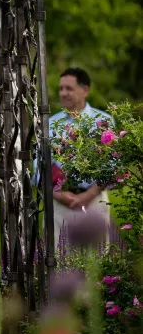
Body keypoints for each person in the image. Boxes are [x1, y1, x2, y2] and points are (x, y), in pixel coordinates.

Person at [49, 68, 111, 244]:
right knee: (61, 263)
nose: (63, 93)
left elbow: (112, 164)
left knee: (97, 261)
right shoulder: (50, 124)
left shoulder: (103, 122)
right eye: (61, 89)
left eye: (69, 88)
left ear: (85, 90)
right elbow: (40, 165)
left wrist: (88, 195)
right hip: (60, 203)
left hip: (94, 201)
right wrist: (58, 195)